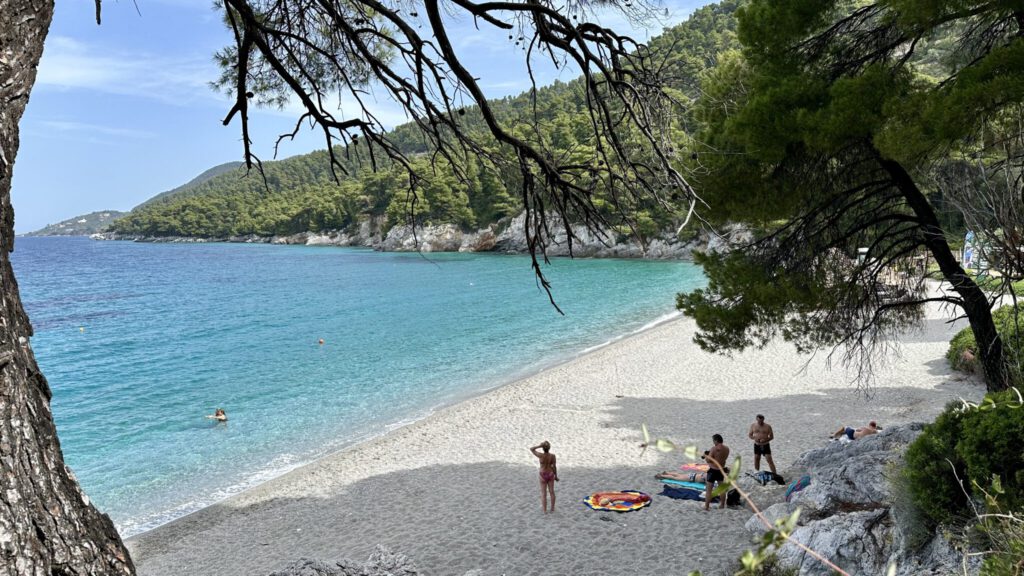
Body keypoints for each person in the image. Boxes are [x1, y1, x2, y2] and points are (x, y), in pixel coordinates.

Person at [703, 434, 730, 511]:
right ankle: (722, 505)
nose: (713, 442)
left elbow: (708, 460)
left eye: (713, 441)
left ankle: (706, 506)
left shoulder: (714, 449)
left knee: (709, 490)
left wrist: (706, 456)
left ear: (716, 440)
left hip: (713, 471)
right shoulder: (727, 449)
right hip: (721, 470)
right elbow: (723, 458)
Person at [530, 441, 558, 513]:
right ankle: (552, 509)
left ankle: (545, 510)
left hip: (542, 474)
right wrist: (556, 476)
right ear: (549, 448)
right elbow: (554, 466)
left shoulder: (540, 455)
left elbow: (532, 449)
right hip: (550, 474)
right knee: (552, 492)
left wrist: (539, 445)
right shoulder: (552, 456)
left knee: (543, 493)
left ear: (543, 448)